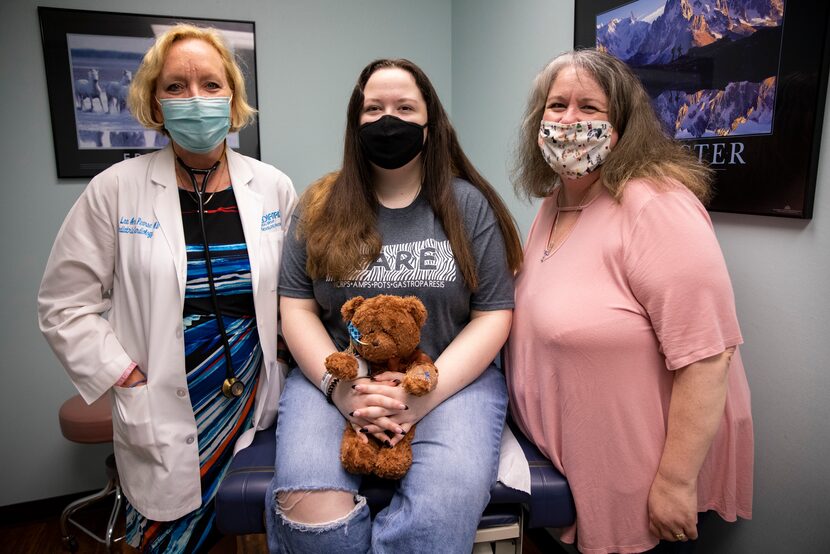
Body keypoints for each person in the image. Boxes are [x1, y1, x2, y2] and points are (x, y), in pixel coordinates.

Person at [37, 24, 297, 553]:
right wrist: (123, 374)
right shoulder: (116, 189)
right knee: (172, 539)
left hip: (253, 389)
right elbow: (64, 304)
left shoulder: (272, 186)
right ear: (154, 102)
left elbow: (295, 296)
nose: (194, 99)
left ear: (232, 98)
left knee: (255, 527)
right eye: (176, 87)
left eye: (209, 84)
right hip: (162, 393)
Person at [264, 58, 523, 553]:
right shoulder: (318, 204)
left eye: (405, 107)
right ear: (354, 123)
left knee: (439, 512)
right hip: (337, 376)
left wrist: (420, 397)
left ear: (431, 124)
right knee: (310, 515)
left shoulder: (468, 206)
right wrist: (344, 393)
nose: (389, 120)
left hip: (449, 377)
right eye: (374, 109)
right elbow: (296, 308)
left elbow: (493, 315)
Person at [505, 49, 754, 553]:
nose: (569, 120)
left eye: (590, 108)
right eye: (557, 106)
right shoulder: (556, 203)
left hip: (644, 489)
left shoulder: (655, 205)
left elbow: (708, 355)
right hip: (566, 478)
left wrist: (675, 483)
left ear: (621, 125)